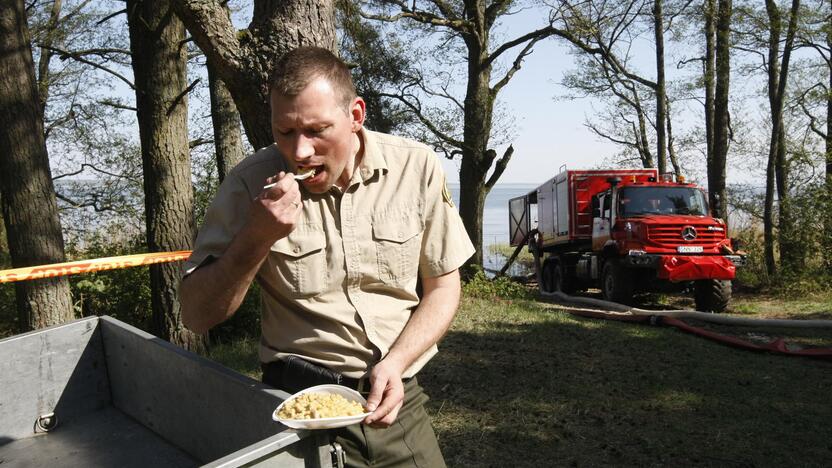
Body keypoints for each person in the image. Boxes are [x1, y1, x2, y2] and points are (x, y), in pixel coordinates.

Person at [179, 46, 474, 467]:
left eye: (317, 130)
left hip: (395, 397)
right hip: (296, 410)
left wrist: (396, 362)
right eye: (285, 132)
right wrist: (257, 236)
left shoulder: (416, 167)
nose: (299, 152)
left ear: (356, 115)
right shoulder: (248, 186)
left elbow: (444, 286)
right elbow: (197, 315)